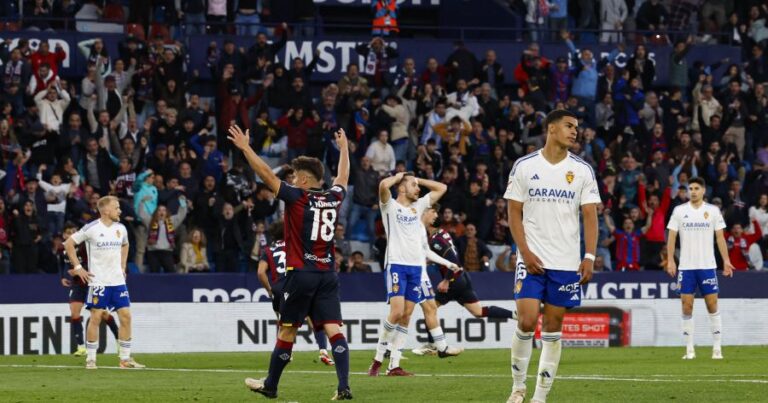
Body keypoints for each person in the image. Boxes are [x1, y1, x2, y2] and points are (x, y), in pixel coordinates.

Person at [229, 124, 352, 400]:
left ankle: (271, 385)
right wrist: (344, 148)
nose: (292, 180)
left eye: (295, 177)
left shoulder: (298, 198)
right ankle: (344, 386)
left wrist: (245, 148)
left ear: (305, 181)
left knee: (287, 330)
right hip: (327, 274)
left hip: (301, 274)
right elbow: (343, 175)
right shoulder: (334, 197)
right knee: (334, 329)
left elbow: (263, 174)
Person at [504, 109, 600, 403]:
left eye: (577, 127)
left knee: (553, 326)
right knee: (527, 320)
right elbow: (513, 213)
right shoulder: (524, 166)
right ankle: (518, 387)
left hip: (566, 262)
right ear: (551, 129)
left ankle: (540, 396)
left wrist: (589, 256)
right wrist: (525, 251)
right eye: (569, 126)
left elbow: (590, 215)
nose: (575, 131)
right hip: (532, 259)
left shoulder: (582, 170)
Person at [368, 171, 463, 377]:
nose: (418, 189)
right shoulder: (390, 206)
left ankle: (393, 365)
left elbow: (441, 188)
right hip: (396, 265)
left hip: (416, 269)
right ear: (401, 188)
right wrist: (399, 176)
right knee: (396, 312)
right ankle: (377, 358)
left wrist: (417, 179)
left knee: (406, 316)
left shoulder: (418, 207)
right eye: (413, 185)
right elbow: (383, 186)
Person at [412, 205, 517, 356]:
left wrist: (446, 280)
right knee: (478, 311)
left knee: (430, 309)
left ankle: (433, 343)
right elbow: (448, 257)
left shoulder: (436, 240)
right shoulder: (442, 234)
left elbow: (454, 260)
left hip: (454, 280)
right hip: (462, 278)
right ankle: (514, 315)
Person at [64, 196, 144, 369]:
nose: (120, 211)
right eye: (117, 208)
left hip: (117, 281)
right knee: (96, 317)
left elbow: (125, 245)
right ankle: (91, 359)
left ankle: (125, 359)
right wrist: (78, 267)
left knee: (126, 316)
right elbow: (69, 243)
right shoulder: (91, 228)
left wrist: (123, 266)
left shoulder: (121, 228)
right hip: (98, 282)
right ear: (106, 210)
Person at [666, 177, 734, 360]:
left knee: (712, 305)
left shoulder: (712, 211)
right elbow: (671, 237)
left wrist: (726, 261)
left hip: (707, 266)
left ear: (703, 190)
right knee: (686, 306)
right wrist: (670, 260)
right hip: (686, 267)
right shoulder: (679, 211)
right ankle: (689, 350)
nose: (693, 191)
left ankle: (717, 349)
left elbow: (720, 238)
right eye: (690, 188)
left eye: (696, 188)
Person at [256, 221, 335, 367]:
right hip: (296, 284)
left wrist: (269, 289)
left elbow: (261, 272)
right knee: (312, 317)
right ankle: (323, 350)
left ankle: (285, 353)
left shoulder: (267, 251)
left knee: (283, 322)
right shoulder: (297, 246)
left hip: (278, 289)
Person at [59, 222, 119, 356]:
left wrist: (80, 270)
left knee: (103, 314)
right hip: (77, 285)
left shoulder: (85, 247)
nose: (70, 235)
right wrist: (64, 276)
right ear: (64, 235)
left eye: (72, 232)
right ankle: (81, 347)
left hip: (92, 283)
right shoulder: (64, 250)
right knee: (74, 313)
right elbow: (64, 264)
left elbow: (95, 262)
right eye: (67, 233)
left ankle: (119, 339)